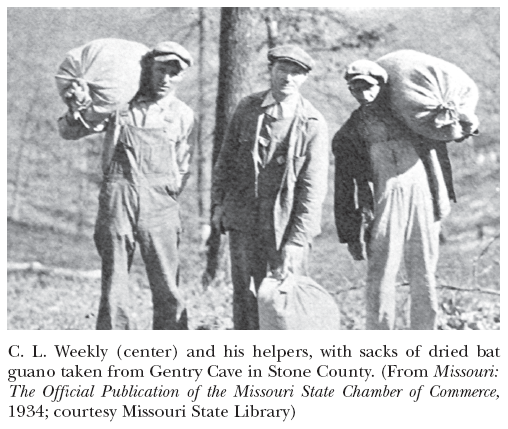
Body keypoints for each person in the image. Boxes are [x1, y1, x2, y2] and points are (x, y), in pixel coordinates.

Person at [58, 41, 194, 330]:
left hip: (161, 202)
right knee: (114, 283)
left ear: (181, 77)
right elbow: (70, 131)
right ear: (148, 70)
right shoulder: (119, 107)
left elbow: (184, 163)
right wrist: (75, 108)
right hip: (118, 196)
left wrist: (166, 193)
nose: (165, 79)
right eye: (160, 70)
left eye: (173, 73)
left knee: (167, 281)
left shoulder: (183, 115)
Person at [333, 59, 457, 330]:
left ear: (381, 86)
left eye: (368, 87)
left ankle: (425, 333)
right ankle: (380, 337)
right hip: (383, 201)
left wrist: (444, 197)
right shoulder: (350, 133)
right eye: (356, 89)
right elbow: (344, 186)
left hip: (421, 196)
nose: (363, 93)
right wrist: (350, 233)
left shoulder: (410, 115)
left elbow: (443, 140)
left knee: (424, 270)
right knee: (381, 272)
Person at [211, 45, 329, 330]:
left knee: (281, 296)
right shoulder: (248, 108)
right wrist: (218, 205)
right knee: (244, 293)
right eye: (282, 70)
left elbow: (313, 190)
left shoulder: (312, 123)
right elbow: (225, 161)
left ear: (304, 79)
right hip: (243, 219)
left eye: (296, 73)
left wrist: (297, 241)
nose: (288, 78)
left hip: (284, 226)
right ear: (271, 71)